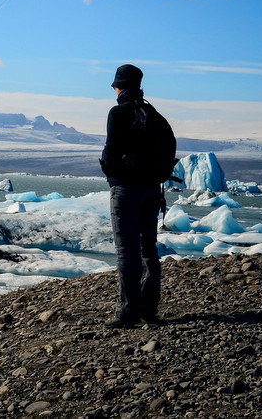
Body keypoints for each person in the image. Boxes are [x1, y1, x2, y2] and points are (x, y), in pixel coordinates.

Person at [99, 64, 169, 328]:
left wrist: (114, 173)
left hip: (125, 189)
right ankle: (149, 309)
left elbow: (112, 151)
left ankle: (126, 312)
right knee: (148, 249)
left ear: (119, 87)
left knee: (126, 251)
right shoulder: (153, 114)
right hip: (151, 189)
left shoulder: (118, 112)